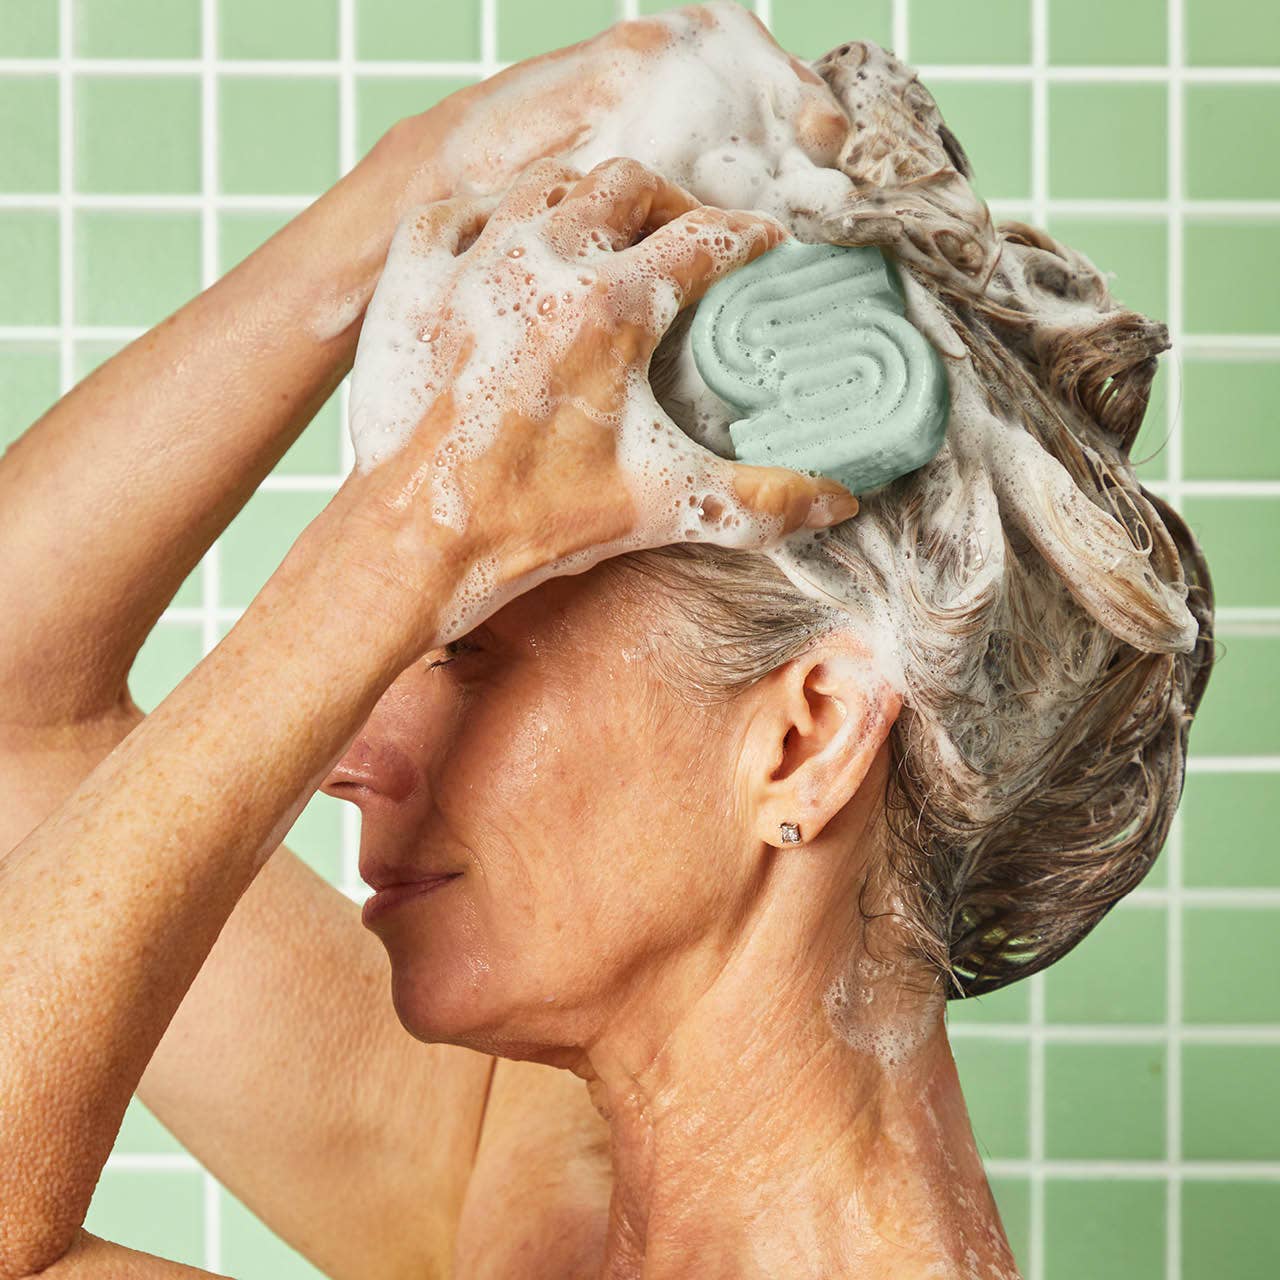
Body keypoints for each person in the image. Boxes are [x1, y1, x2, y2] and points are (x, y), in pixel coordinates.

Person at [0, 7, 1212, 1279]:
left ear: (803, 738)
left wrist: (413, 539)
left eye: (468, 648)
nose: (340, 753)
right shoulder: (528, 1187)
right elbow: (25, 711)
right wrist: (425, 178)